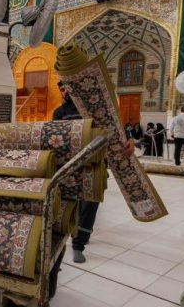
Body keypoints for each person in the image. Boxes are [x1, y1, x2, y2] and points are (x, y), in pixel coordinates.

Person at [53, 81, 134, 263]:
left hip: (95, 165)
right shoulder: (60, 113)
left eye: (66, 88)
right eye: (61, 89)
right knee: (71, 205)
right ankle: (74, 235)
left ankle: (79, 244)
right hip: (71, 167)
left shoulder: (95, 109)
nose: (64, 92)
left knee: (90, 204)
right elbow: (55, 137)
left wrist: (129, 139)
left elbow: (113, 126)